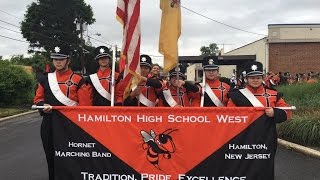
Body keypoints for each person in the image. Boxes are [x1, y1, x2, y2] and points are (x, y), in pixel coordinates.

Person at [33, 44, 91, 179]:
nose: (58, 62)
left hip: (71, 126)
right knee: (51, 157)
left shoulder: (79, 80)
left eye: (61, 59)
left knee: (72, 158)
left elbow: (85, 107)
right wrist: (43, 106)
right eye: (55, 59)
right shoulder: (45, 78)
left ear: (68, 60)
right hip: (49, 124)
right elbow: (37, 99)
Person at [227, 61, 292, 123]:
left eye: (258, 78)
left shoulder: (273, 95)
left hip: (267, 133)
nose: (255, 80)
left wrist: (275, 113)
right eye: (252, 78)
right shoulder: (236, 96)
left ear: (262, 79)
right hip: (244, 133)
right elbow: (228, 116)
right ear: (246, 79)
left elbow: (287, 113)